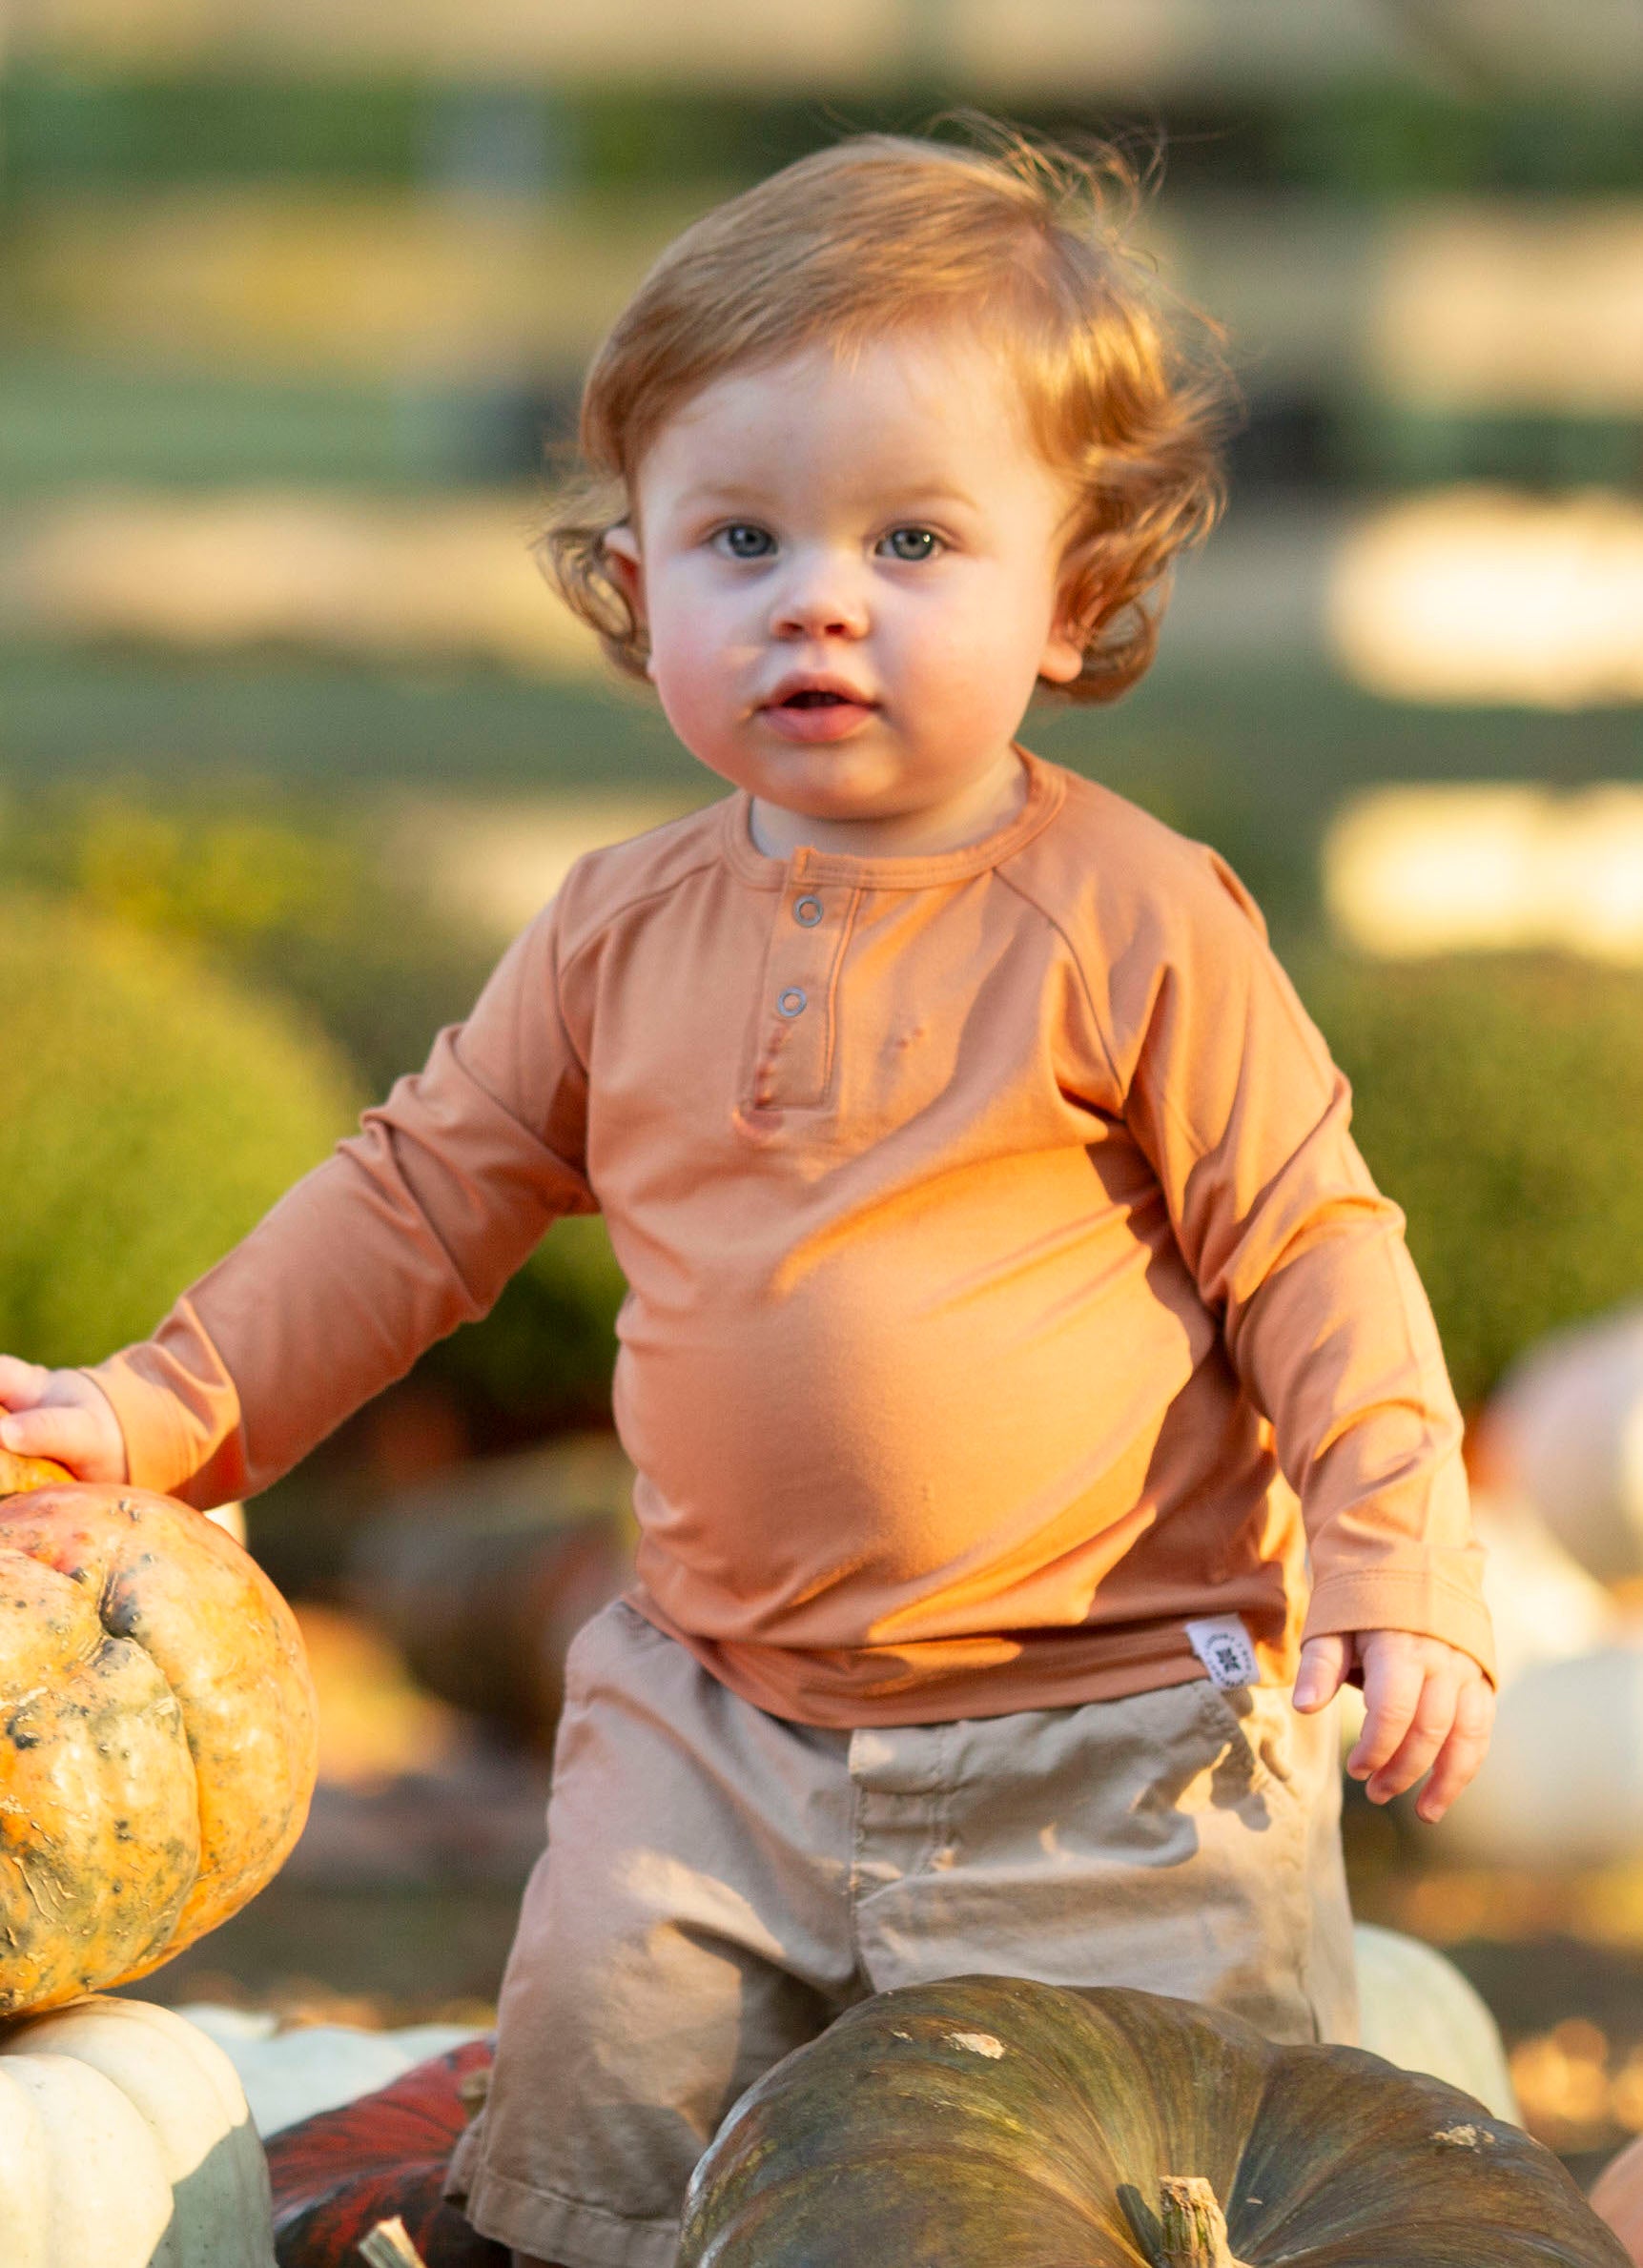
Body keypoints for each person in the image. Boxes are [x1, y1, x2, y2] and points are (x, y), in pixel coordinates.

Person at [0, 127, 1495, 2268]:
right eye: (734, 534)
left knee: (1123, 2174)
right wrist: (156, 1410)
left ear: (1073, 590)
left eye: (910, 537)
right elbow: (412, 1200)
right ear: (634, 582)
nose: (814, 592)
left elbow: (1309, 1243)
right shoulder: (616, 929)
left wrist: (1394, 1543)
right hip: (712, 1728)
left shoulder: (1135, 917)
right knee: (597, 2142)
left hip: (1105, 1750)